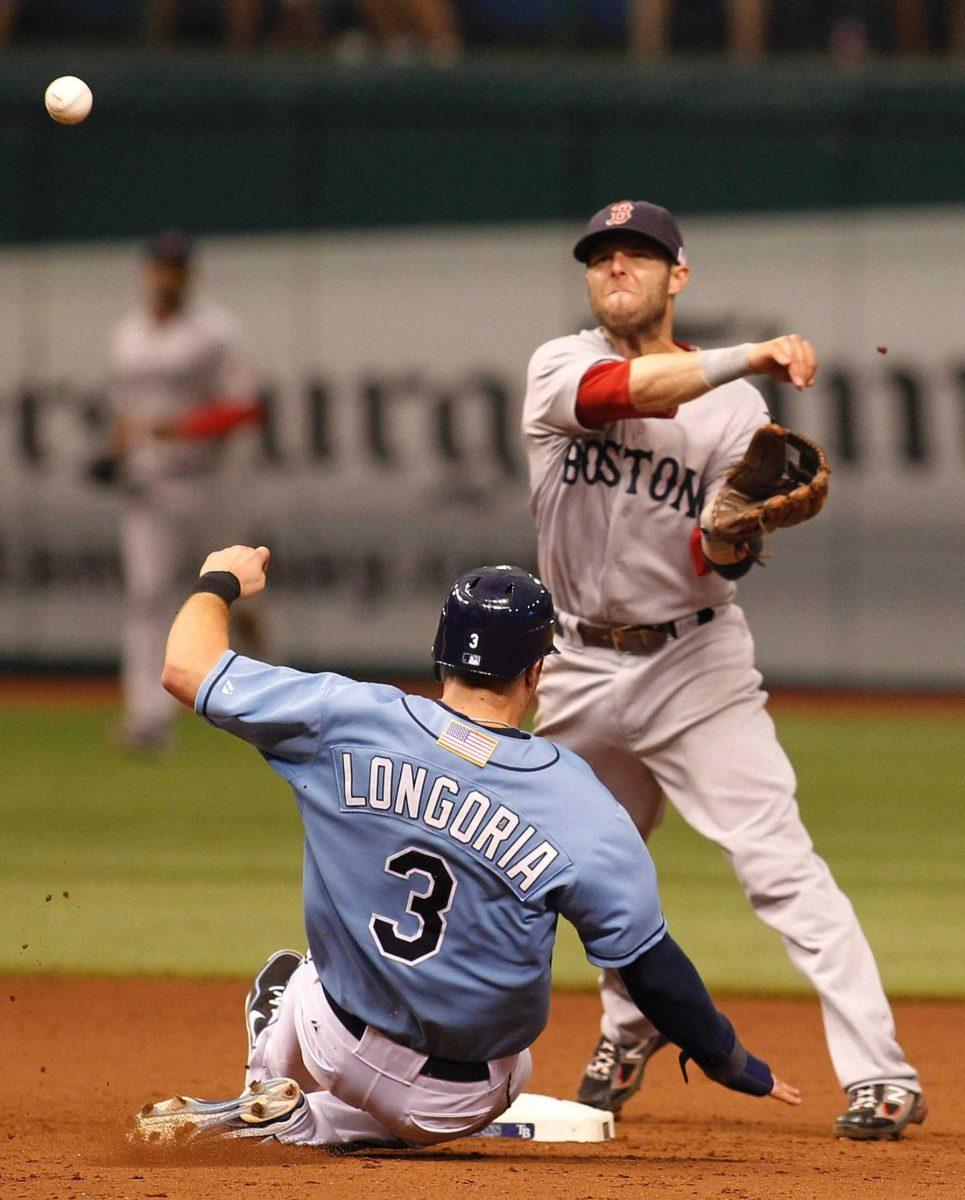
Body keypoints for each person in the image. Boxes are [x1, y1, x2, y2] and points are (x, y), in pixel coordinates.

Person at [138, 552, 799, 1147]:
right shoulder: (581, 804)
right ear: (536, 671)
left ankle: (266, 1095)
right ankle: (304, 1125)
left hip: (332, 1041)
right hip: (463, 1099)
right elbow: (651, 970)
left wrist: (218, 582)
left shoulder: (345, 717)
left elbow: (184, 668)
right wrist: (727, 1059)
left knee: (288, 971)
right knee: (516, 1063)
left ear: (440, 653)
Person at [522, 199, 926, 1141]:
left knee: (777, 864)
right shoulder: (557, 366)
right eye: (602, 256)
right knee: (581, 871)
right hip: (575, 662)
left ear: (679, 275)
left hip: (693, 661)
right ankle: (630, 1023)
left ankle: (881, 1073)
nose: (617, 267)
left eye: (639, 255)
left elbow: (718, 554)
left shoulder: (737, 413)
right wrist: (753, 350)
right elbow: (626, 395)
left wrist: (729, 536)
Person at [106, 231, 263, 750]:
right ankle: (147, 717)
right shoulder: (128, 335)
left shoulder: (214, 334)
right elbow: (127, 413)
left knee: (238, 591)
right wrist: (119, 446)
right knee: (147, 595)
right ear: (147, 272)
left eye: (176, 268)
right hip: (149, 484)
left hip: (208, 482)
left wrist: (178, 428)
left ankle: (268, 698)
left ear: (187, 275)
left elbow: (245, 406)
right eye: (159, 267)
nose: (166, 276)